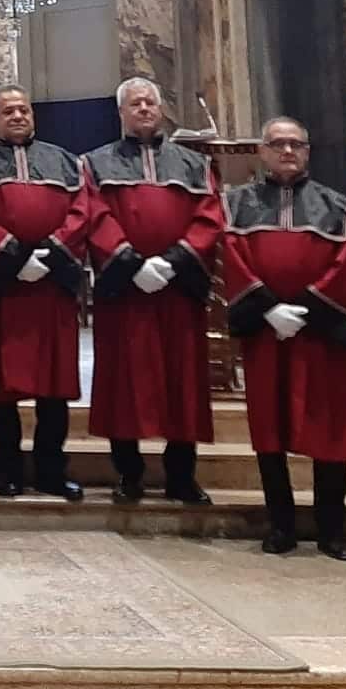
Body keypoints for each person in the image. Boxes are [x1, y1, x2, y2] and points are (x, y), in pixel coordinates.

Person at [221, 115, 346, 560]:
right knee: (270, 430)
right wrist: (268, 308)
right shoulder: (236, 204)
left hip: (318, 335)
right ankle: (280, 527)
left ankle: (332, 531)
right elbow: (230, 256)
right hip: (268, 333)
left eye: (297, 144)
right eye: (278, 143)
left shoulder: (337, 206)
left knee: (328, 431)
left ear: (307, 151)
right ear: (261, 151)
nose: (287, 151)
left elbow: (344, 264)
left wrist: (306, 309)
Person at [82, 76, 223, 505]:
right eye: (134, 103)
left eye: (149, 103)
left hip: (177, 288)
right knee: (125, 383)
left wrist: (174, 260)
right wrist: (129, 260)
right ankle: (129, 475)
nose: (143, 109)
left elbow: (209, 216)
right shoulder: (95, 163)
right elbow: (94, 213)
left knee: (183, 381)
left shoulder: (194, 165)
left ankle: (182, 476)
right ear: (120, 113)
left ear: (160, 110)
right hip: (126, 290)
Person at [0, 84, 89, 500]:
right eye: (8, 111)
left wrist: (51, 254)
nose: (18, 116)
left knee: (53, 386)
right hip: (5, 286)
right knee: (4, 388)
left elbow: (82, 212)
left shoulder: (65, 161)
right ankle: (8, 469)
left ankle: (51, 470)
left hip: (51, 288)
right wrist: (14, 256)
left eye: (24, 110)